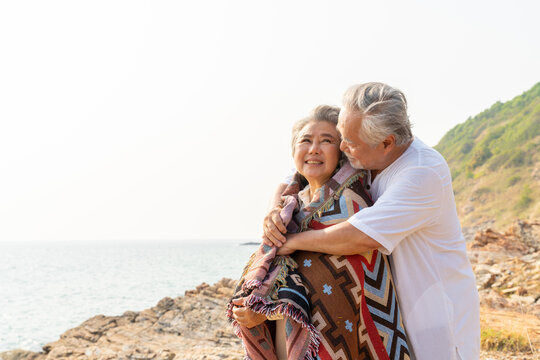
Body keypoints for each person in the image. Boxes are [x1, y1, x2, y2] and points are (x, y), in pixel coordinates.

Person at [262, 83, 480, 360]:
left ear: (387, 142)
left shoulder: (422, 173)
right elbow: (294, 173)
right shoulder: (364, 156)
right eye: (340, 137)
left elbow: (359, 236)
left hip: (434, 313)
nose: (342, 148)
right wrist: (273, 209)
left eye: (349, 143)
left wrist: (290, 241)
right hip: (386, 310)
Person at [228, 105, 410, 360]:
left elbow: (338, 292)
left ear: (342, 151)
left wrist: (267, 311)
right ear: (294, 150)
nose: (314, 149)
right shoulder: (292, 206)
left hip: (332, 341)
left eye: (327, 141)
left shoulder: (350, 203)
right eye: (306, 140)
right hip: (288, 338)